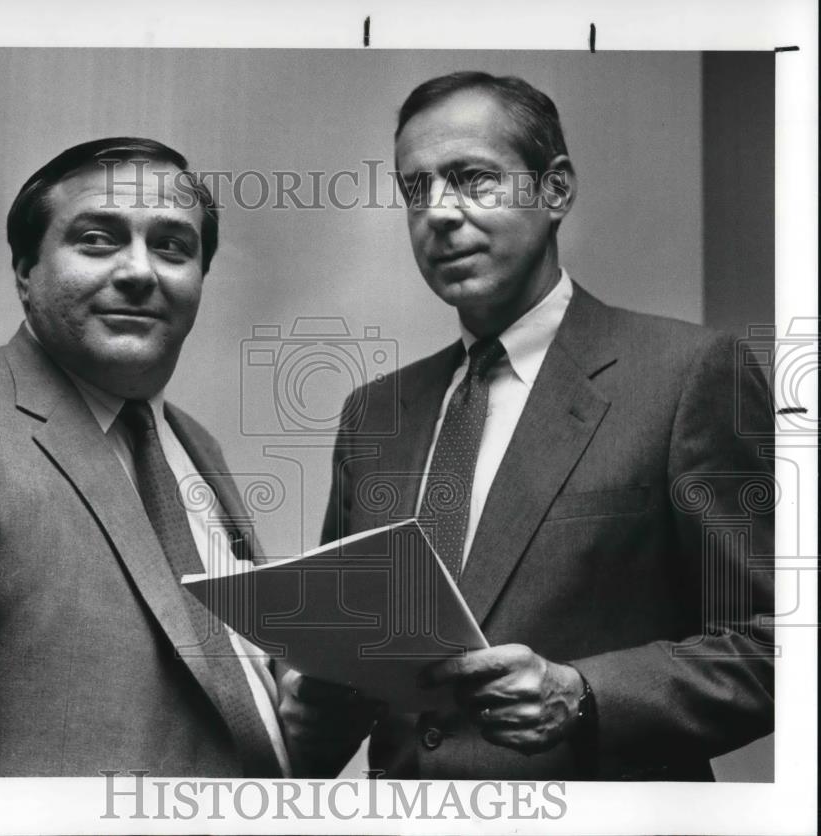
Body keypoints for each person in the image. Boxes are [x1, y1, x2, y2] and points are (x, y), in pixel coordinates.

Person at [279, 72, 775, 780]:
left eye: (473, 178)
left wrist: (585, 694)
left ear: (556, 191)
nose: (440, 214)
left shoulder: (689, 374)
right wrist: (310, 711)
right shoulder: (375, 414)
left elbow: (776, 644)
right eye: (416, 190)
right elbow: (346, 668)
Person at [0, 137, 289, 777]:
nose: (141, 271)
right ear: (24, 272)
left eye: (173, 246)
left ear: (202, 278)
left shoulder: (197, 445)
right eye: (97, 239)